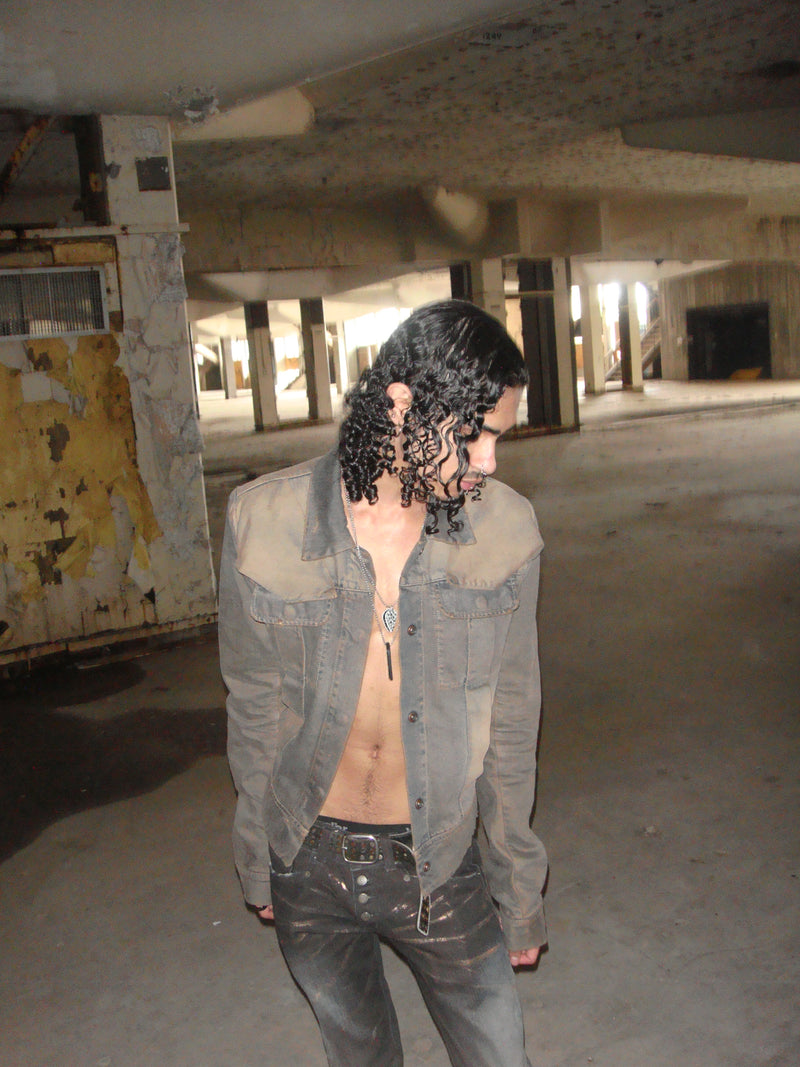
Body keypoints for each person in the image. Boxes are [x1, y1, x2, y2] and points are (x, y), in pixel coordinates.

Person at [219, 299, 548, 1067]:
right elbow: (255, 706)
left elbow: (511, 723)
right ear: (402, 404)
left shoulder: (505, 533)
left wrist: (518, 886)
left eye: (499, 437)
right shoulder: (262, 523)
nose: (489, 461)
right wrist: (257, 854)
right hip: (308, 859)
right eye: (476, 433)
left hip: (438, 860)